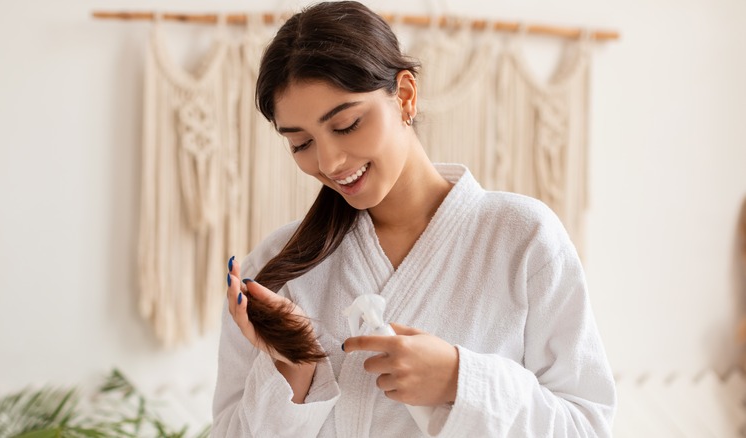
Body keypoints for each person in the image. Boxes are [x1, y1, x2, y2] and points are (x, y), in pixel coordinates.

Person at [212, 1, 616, 436]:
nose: (328, 161)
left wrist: (462, 381)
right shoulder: (275, 268)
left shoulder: (524, 238)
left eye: (346, 125)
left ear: (405, 95)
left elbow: (587, 427)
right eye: (301, 143)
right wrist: (296, 368)